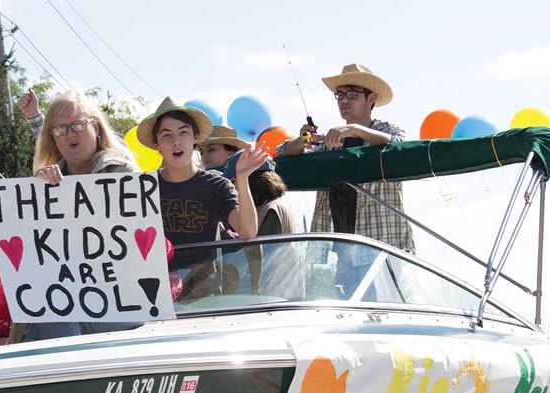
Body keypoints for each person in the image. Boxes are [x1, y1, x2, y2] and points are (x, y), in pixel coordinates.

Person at [18, 90, 137, 342]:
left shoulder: (121, 171)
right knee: (52, 307)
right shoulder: (46, 179)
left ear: (96, 126)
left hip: (119, 298)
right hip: (66, 298)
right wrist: (41, 198)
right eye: (60, 130)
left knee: (54, 310)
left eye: (78, 124)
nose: (70, 134)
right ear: (53, 138)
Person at [136, 97, 265, 300]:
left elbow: (247, 231)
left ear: (195, 138)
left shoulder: (216, 185)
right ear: (156, 144)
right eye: (166, 135)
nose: (176, 142)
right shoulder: (140, 188)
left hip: (205, 300)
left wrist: (242, 178)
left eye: (183, 132)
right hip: (153, 297)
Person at [278, 63, 414, 254]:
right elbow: (283, 152)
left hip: (383, 245)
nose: (344, 101)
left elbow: (398, 145)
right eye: (340, 95)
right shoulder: (330, 141)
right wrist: (302, 141)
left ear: (371, 98)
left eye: (352, 95)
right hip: (343, 245)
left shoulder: (388, 130)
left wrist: (355, 129)